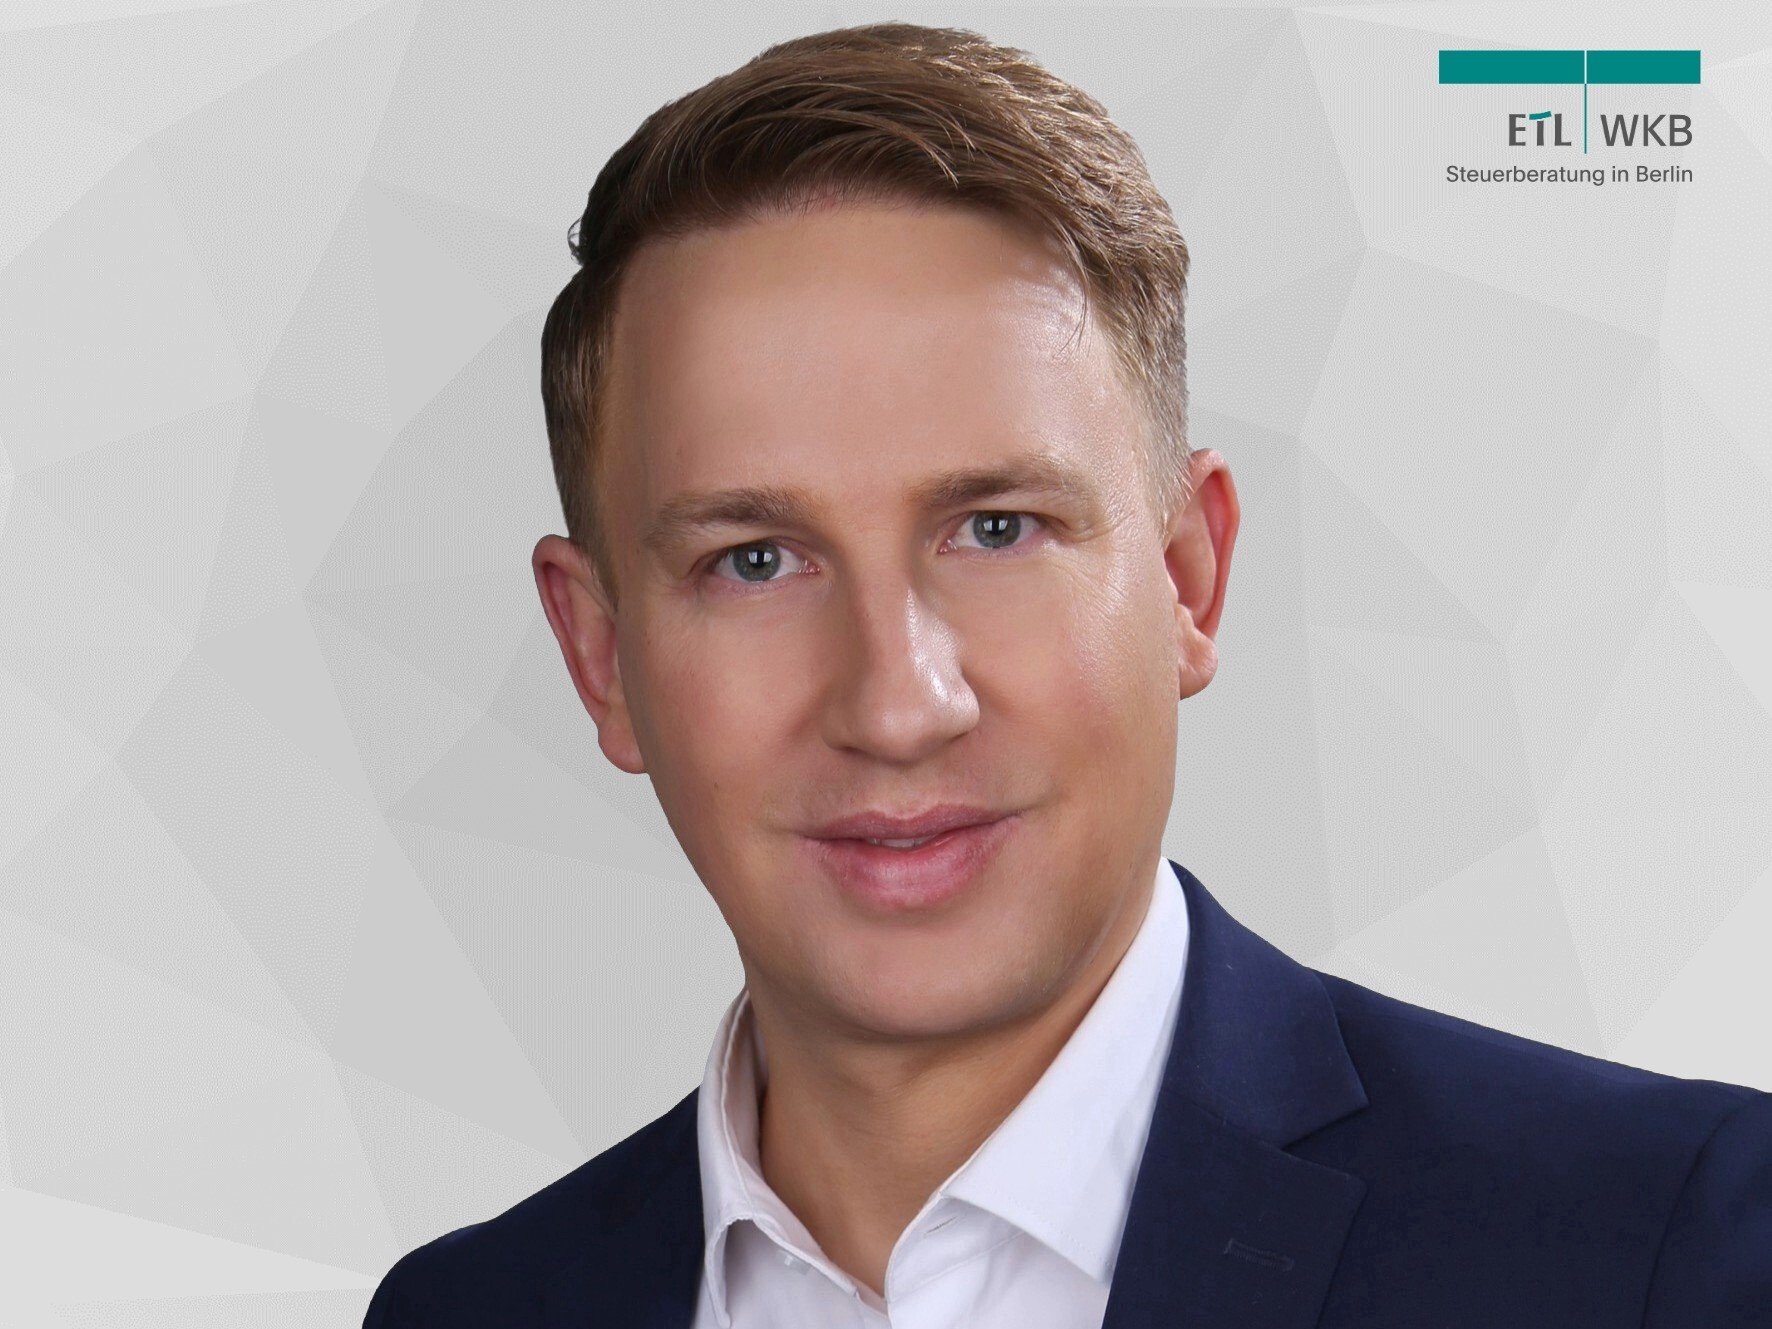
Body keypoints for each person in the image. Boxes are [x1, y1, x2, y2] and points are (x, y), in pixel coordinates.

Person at [363, 21, 1772, 1328]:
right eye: (755, 560)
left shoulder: (1664, 1247)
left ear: (1187, 578)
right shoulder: (467, 1313)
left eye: (997, 529)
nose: (897, 705)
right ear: (600, 656)